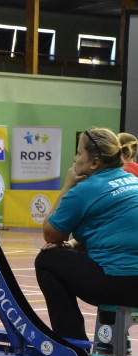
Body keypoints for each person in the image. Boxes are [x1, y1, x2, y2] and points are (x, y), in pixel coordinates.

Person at [35, 127, 138, 340]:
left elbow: (51, 235)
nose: (74, 158)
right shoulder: (133, 181)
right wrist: (75, 244)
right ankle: (111, 339)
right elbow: (113, 232)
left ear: (94, 162)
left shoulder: (83, 190)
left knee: (47, 259)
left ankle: (72, 341)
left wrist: (67, 186)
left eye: (79, 152)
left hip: (120, 286)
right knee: (94, 255)